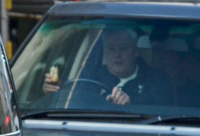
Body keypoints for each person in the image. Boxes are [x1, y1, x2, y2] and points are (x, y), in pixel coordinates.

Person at [42, 27, 170, 107]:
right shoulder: (90, 77)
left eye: (123, 48)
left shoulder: (157, 79)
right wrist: (57, 93)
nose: (116, 55)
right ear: (104, 51)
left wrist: (131, 104)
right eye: (111, 48)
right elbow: (73, 102)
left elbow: (162, 110)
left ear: (136, 51)